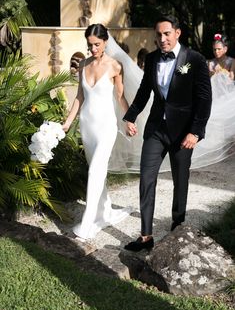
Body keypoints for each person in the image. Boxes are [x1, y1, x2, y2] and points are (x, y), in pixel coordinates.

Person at [123, 14, 212, 252]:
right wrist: (130, 115)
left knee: (180, 181)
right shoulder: (152, 59)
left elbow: (204, 99)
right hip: (156, 129)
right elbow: (144, 92)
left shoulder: (195, 59)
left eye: (167, 34)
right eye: (159, 35)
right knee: (146, 178)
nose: (162, 39)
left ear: (177, 33)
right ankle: (146, 237)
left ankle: (177, 230)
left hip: (183, 134)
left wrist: (195, 132)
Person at [63, 23, 132, 240]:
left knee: (95, 171)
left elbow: (120, 97)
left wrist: (129, 119)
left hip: (106, 127)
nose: (93, 49)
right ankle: (105, 210)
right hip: (87, 126)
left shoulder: (115, 66)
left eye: (97, 44)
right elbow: (79, 97)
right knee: (96, 170)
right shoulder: (83, 65)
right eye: (90, 45)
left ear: (105, 42)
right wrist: (67, 123)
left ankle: (87, 222)